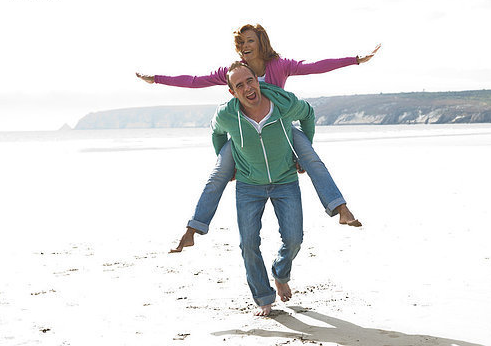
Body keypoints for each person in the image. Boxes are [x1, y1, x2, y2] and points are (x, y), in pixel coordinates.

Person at [136, 24, 379, 251]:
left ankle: (341, 209)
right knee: (218, 174)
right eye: (240, 42)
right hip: (246, 133)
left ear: (261, 42)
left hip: (281, 128)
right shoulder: (235, 71)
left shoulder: (280, 65)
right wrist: (157, 79)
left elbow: (316, 66)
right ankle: (193, 229)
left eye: (249, 41)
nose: (244, 46)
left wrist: (355, 60)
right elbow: (194, 81)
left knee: (312, 160)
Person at [214, 61, 314, 315]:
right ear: (233, 92)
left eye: (250, 80)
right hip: (249, 185)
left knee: (294, 239)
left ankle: (280, 274)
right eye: (240, 85)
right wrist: (228, 164)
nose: (248, 87)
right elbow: (217, 133)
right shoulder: (227, 114)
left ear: (257, 80)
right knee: (248, 243)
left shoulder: (282, 104)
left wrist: (304, 152)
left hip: (285, 180)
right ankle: (263, 297)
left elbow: (308, 114)